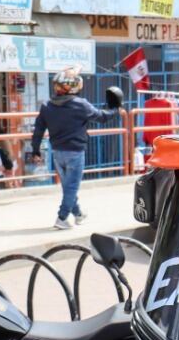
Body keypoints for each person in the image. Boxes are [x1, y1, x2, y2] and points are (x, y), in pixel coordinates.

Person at [29, 69, 121, 230]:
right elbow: (102, 117)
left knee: (68, 186)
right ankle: (62, 217)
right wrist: (115, 108)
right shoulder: (80, 104)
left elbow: (38, 130)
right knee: (71, 187)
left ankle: (78, 214)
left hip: (57, 153)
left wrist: (35, 150)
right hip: (75, 152)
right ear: (74, 86)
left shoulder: (46, 106)